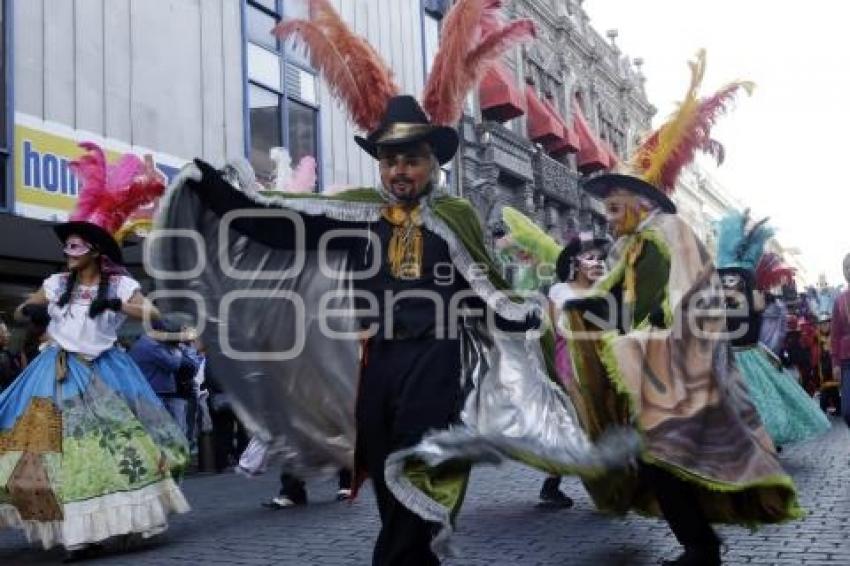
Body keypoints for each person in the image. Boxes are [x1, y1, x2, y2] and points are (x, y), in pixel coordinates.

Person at [155, 2, 634, 563]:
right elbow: (282, 219)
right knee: (386, 470)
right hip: (375, 363)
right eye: (389, 161)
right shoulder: (359, 212)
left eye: (410, 160)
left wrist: (519, 309)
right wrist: (214, 191)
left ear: (432, 163)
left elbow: (489, 288)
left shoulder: (454, 216)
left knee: (419, 462)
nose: (399, 171)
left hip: (437, 358)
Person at [562, 52, 800, 566]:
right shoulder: (635, 245)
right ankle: (700, 546)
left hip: (677, 374)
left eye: (614, 202)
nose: (607, 212)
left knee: (670, 463)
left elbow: (671, 302)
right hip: (656, 374)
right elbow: (618, 303)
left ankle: (701, 548)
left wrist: (611, 319)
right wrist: (579, 304)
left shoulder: (664, 236)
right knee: (662, 465)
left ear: (639, 202)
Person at [0, 142, 188, 559]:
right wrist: (29, 311)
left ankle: (107, 527)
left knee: (107, 454)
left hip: (104, 375)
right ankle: (73, 530)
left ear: (96, 251)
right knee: (48, 454)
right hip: (54, 374)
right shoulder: (55, 284)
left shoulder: (119, 284)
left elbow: (154, 313)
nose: (69, 251)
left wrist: (119, 305)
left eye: (77, 244)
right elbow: (24, 304)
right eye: (67, 244)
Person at [715, 211, 830, 448]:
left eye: (732, 280)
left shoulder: (755, 299)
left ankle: (762, 439)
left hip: (749, 355)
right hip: (724, 355)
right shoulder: (716, 302)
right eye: (723, 281)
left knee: (759, 399)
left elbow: (758, 312)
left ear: (743, 281)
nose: (727, 284)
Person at [128, 319, 198, 437]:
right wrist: (185, 345)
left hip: (152, 394)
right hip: (155, 396)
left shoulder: (145, 343)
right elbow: (177, 364)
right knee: (166, 436)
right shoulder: (151, 345)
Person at [830, 252, 850, 427]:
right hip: (847, 361)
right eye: (846, 267)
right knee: (848, 411)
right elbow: (834, 333)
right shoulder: (840, 300)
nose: (849, 270)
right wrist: (835, 362)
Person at [0, 321, 21, 392]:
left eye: (7, 332)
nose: (8, 335)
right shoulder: (3, 357)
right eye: (4, 332)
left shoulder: (8, 352)